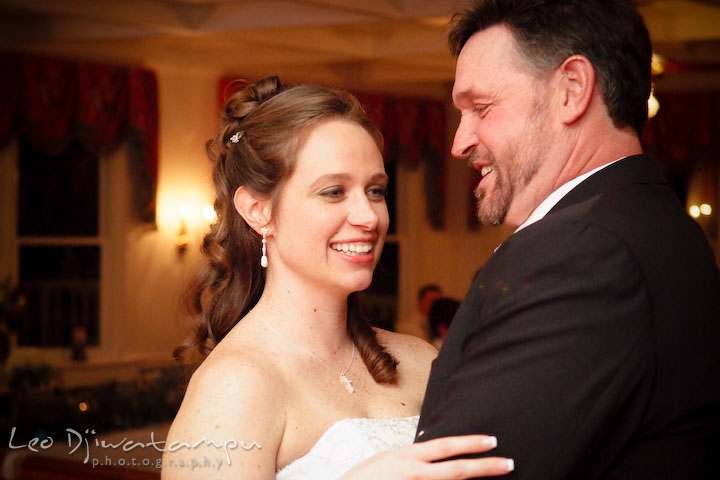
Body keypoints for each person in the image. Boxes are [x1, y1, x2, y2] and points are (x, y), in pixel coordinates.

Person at [417, 1, 720, 478]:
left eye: (481, 108)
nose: (459, 142)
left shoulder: (585, 250)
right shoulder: (654, 224)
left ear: (572, 90)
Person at [162, 77, 514, 479]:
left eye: (376, 191)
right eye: (333, 192)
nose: (368, 217)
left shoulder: (421, 362)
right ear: (258, 210)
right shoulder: (234, 387)